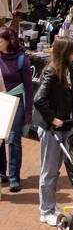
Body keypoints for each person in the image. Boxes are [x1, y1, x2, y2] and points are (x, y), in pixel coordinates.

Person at [32, 37, 73, 226]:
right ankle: (45, 210)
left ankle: (50, 204)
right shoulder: (51, 72)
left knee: (57, 168)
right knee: (49, 170)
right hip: (52, 129)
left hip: (66, 125)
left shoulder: (70, 68)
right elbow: (39, 99)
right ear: (66, 52)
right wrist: (52, 119)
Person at [0, 26, 34, 192]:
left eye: (0, 41)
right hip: (0, 101)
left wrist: (28, 115)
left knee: (13, 139)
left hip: (16, 101)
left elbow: (29, 88)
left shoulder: (21, 59)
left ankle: (14, 177)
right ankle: (1, 173)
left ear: (9, 41)